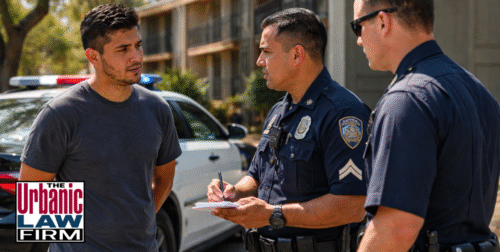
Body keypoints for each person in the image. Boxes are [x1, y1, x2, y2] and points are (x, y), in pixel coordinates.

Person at [19, 4, 182, 251]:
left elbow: (164, 180)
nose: (137, 57)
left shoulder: (157, 108)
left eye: (138, 45)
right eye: (123, 49)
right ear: (93, 56)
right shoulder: (61, 114)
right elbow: (35, 197)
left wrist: (139, 222)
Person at [207, 8, 371, 252]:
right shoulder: (277, 113)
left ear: (297, 55)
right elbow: (257, 175)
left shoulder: (343, 113)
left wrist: (273, 214)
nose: (259, 61)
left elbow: (352, 205)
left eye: (266, 51)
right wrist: (234, 193)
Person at [352, 0, 500, 251]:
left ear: (382, 22)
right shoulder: (477, 91)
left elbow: (397, 229)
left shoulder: (406, 99)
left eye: (358, 27)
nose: (358, 40)